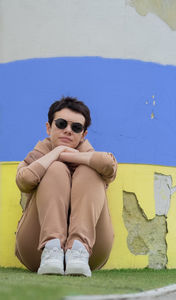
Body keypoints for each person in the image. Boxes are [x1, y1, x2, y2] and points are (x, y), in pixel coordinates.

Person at [15, 96, 117, 277]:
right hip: (37, 251)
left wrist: (70, 156)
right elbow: (25, 180)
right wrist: (54, 153)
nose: (68, 131)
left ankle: (78, 249)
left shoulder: (91, 156)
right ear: (49, 127)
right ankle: (52, 247)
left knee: (89, 171)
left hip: (90, 253)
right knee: (55, 169)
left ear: (83, 134)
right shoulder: (39, 153)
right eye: (61, 124)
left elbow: (109, 166)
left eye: (76, 127)